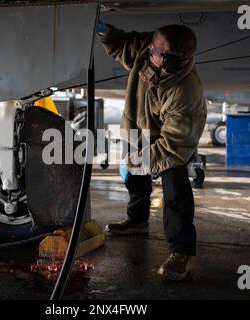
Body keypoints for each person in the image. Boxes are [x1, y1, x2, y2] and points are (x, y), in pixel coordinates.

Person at [96, 21, 207, 280]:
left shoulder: (185, 92)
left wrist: (138, 160)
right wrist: (104, 31)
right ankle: (137, 221)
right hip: (138, 125)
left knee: (175, 190)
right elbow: (124, 46)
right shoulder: (151, 51)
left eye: (154, 50)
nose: (148, 50)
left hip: (171, 143)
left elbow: (172, 147)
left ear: (169, 59)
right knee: (136, 180)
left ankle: (181, 252)